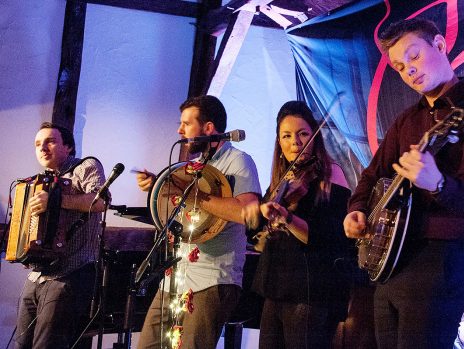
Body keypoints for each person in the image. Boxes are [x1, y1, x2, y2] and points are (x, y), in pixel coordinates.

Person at [343, 17, 464, 348]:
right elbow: (372, 174)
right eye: (400, 67)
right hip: (390, 262)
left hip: (440, 263)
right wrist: (357, 209)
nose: (409, 70)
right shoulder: (407, 120)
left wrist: (438, 184)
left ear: (439, 45)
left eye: (415, 56)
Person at [135, 95, 261, 349]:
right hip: (177, 276)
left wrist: (195, 196)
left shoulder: (238, 161)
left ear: (208, 128)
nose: (179, 130)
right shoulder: (195, 165)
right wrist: (160, 185)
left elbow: (246, 211)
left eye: (186, 123)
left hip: (213, 278)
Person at [243, 101, 362, 348]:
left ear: (314, 137)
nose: (295, 142)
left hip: (309, 290)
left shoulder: (332, 175)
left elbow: (329, 237)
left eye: (303, 134)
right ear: (278, 142)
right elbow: (256, 237)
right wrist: (258, 213)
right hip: (276, 286)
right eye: (286, 136)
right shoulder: (281, 180)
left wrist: (287, 217)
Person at [14, 122, 107, 349]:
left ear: (68, 147)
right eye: (38, 144)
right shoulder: (39, 182)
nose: (43, 148)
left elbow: (100, 201)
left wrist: (55, 201)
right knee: (21, 344)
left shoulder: (86, 166)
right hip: (38, 275)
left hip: (70, 273)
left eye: (50, 141)